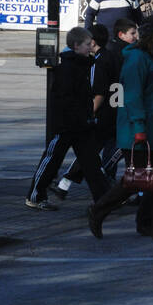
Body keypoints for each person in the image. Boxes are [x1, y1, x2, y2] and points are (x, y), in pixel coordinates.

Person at [88, 15, 153, 240]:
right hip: (139, 133)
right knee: (134, 182)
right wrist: (139, 127)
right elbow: (132, 96)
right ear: (152, 35)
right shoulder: (136, 59)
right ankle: (98, 210)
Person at [53, 16, 138, 198]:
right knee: (101, 152)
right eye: (133, 33)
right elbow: (109, 89)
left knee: (93, 152)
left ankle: (67, 182)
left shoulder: (101, 59)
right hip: (112, 112)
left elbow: (100, 90)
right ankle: (94, 181)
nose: (136, 36)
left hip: (107, 112)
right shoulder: (108, 57)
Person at [26, 27, 110, 209]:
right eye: (87, 44)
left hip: (82, 124)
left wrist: (87, 117)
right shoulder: (67, 68)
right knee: (52, 160)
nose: (90, 47)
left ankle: (103, 199)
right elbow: (64, 99)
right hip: (66, 125)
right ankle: (35, 196)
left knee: (91, 163)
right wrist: (76, 118)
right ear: (76, 45)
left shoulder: (84, 64)